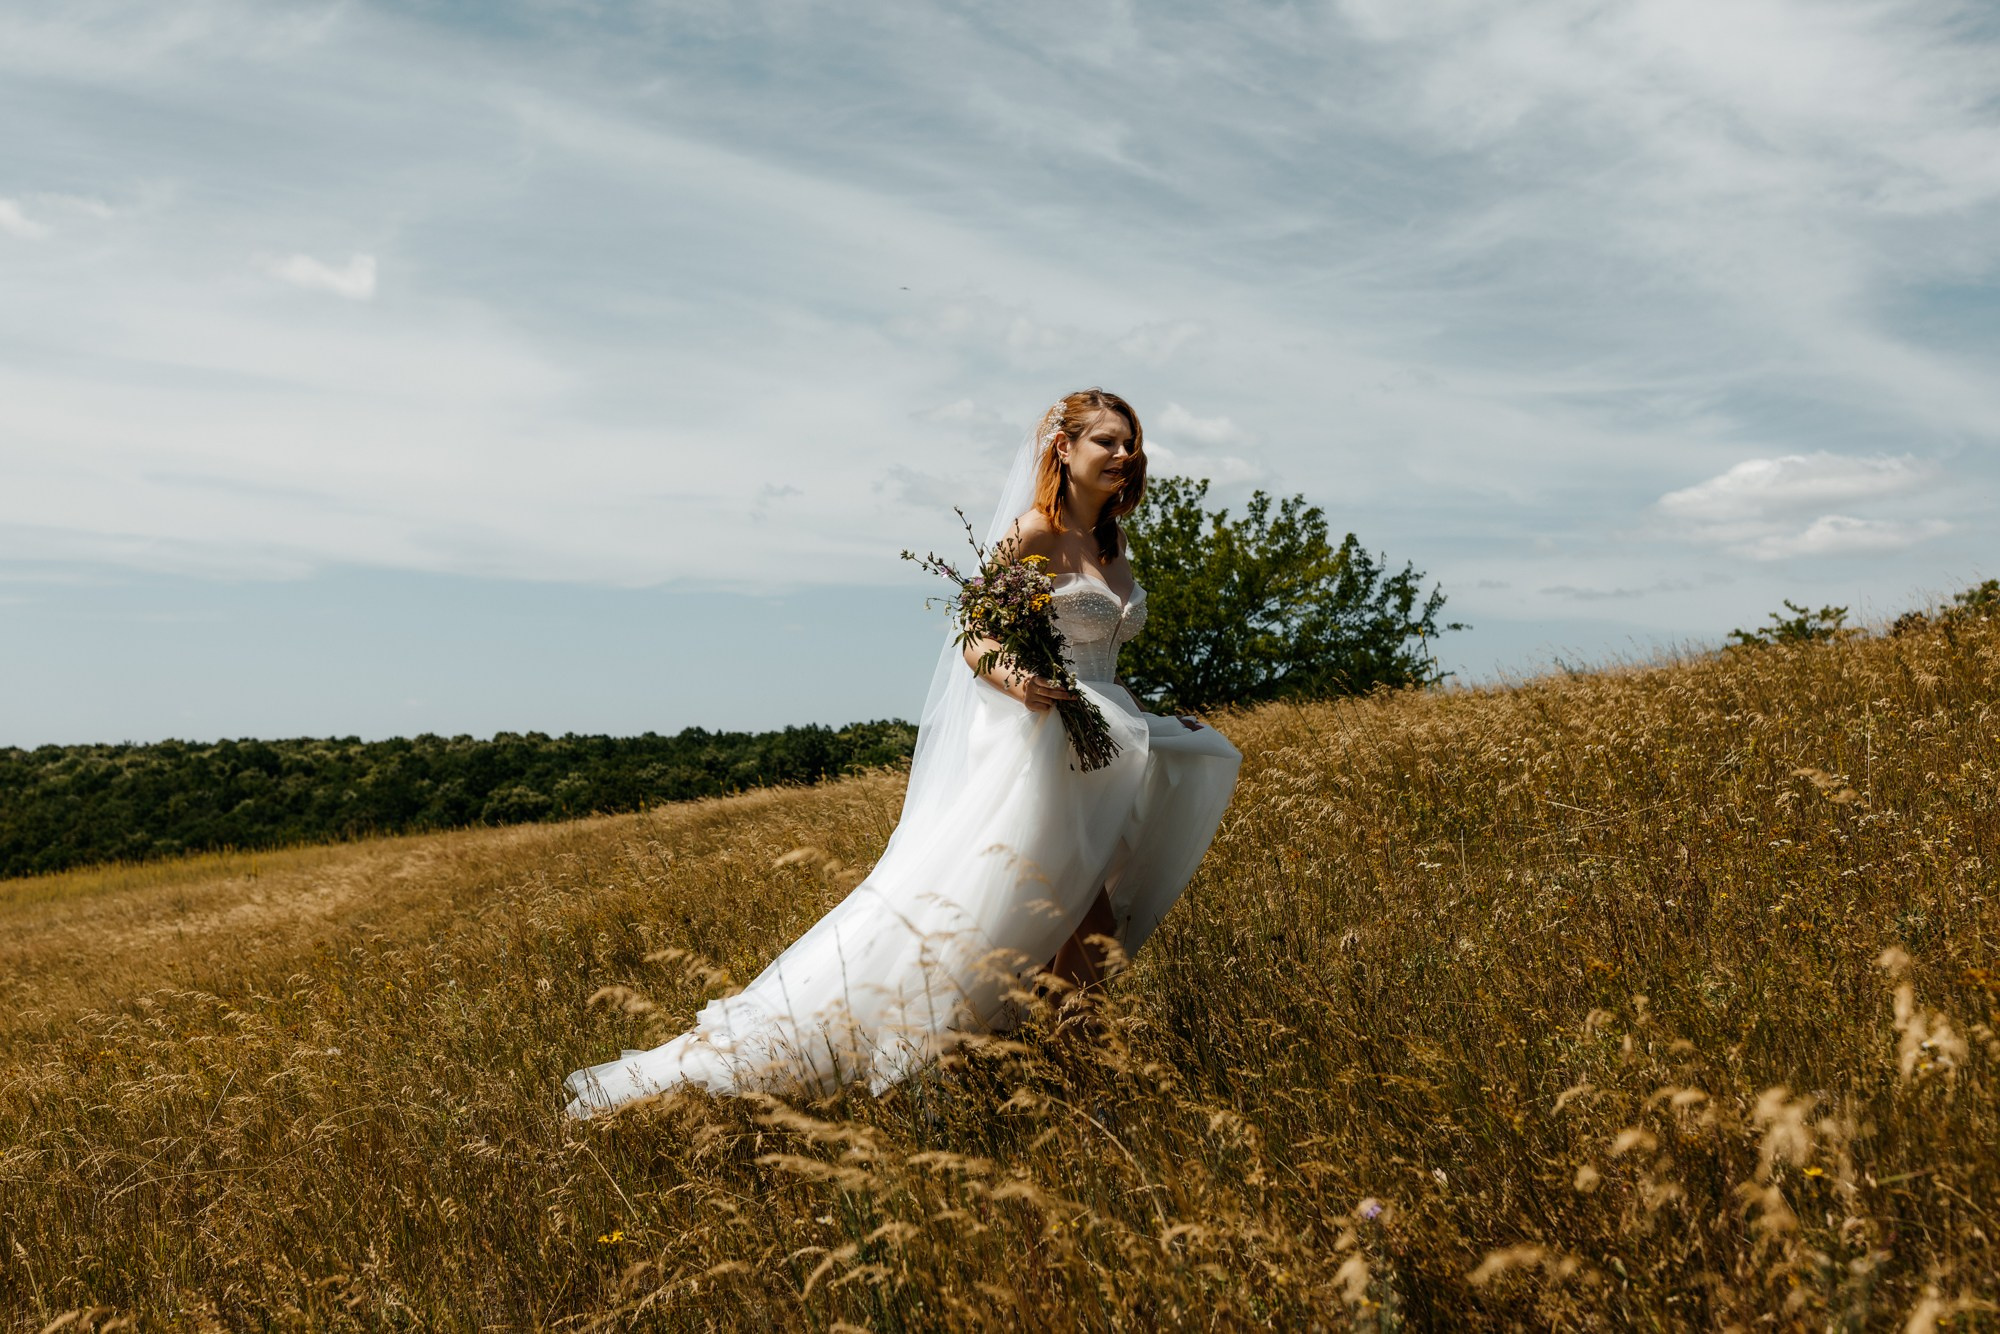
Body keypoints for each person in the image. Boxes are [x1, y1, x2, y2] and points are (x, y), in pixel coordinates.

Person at [562, 389, 1243, 1117]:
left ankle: (1069, 1078)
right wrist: (1019, 678)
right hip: (1043, 748)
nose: (1124, 455)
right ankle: (1080, 1087)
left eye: (1130, 444)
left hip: (1104, 740)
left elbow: (1099, 656)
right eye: (1107, 441)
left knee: (1071, 925)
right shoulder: (1034, 532)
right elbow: (975, 635)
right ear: (1063, 449)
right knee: (1083, 921)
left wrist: (1161, 717)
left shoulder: (1112, 545)